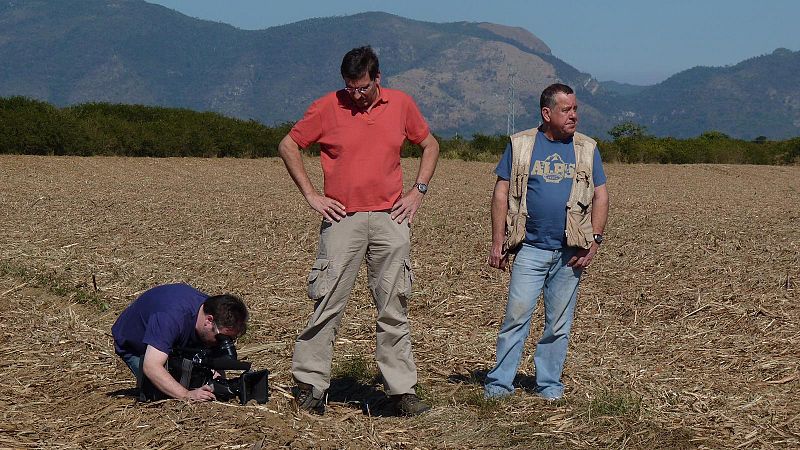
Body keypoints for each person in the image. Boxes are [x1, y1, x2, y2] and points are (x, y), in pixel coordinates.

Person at [278, 46, 439, 416]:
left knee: (393, 305)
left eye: (362, 87)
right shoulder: (326, 107)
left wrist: (419, 191)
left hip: (390, 219)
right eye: (349, 87)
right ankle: (311, 385)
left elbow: (430, 145)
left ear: (377, 78)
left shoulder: (401, 104)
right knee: (327, 301)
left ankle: (401, 392)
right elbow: (288, 144)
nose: (355, 94)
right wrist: (311, 195)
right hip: (342, 219)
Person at [484, 83, 609, 400]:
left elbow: (600, 195)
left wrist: (594, 239)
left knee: (559, 325)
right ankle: (499, 384)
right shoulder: (522, 144)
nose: (574, 115)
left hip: (569, 254)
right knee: (516, 318)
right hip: (530, 249)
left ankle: (549, 385)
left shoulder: (587, 148)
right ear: (546, 113)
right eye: (566, 110)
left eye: (575, 109)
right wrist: (498, 240)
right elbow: (501, 191)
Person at [112, 283, 249, 402]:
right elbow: (152, 366)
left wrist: (218, 381)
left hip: (176, 338)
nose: (223, 342)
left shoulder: (214, 310)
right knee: (163, 394)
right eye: (222, 338)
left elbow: (214, 357)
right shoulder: (171, 317)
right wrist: (186, 395)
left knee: (193, 380)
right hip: (135, 344)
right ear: (209, 320)